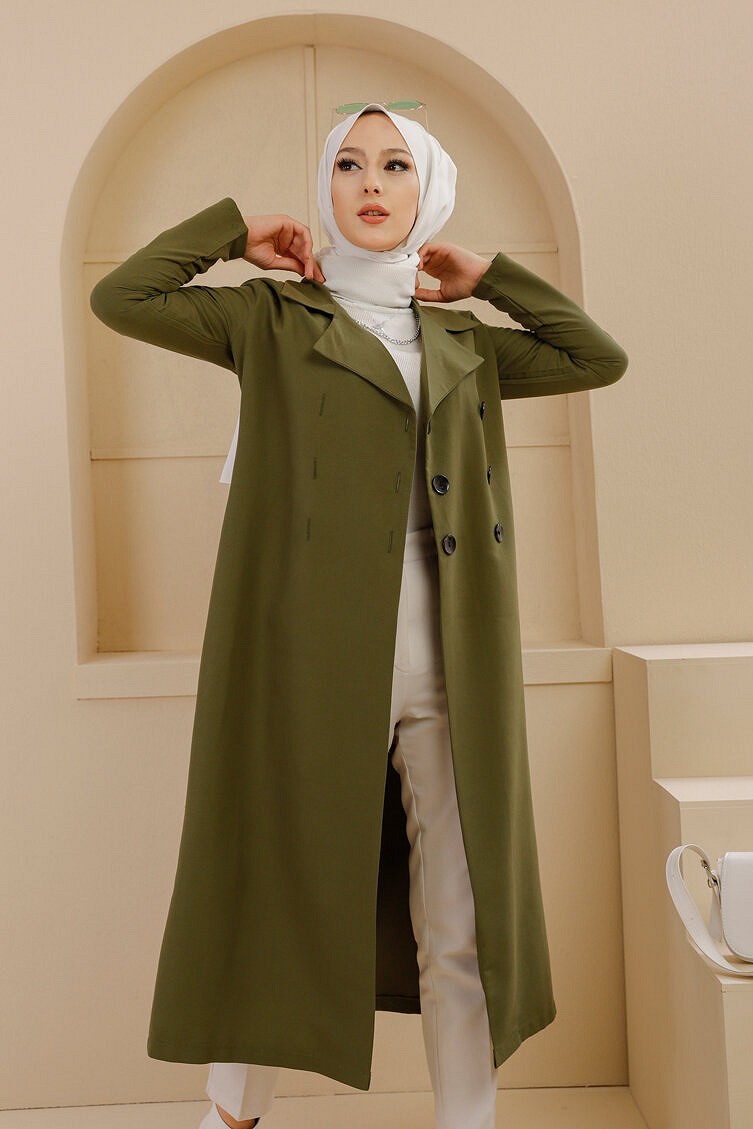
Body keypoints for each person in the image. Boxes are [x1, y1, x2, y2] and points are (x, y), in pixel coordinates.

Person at [90, 103, 628, 1129]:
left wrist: (492, 278)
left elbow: (594, 356)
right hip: (312, 657)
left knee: (459, 918)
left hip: (453, 654)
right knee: (280, 893)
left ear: (430, 191)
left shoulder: (464, 340)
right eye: (348, 163)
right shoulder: (271, 318)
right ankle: (231, 1114)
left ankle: (468, 1120)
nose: (370, 183)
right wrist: (233, 234)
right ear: (327, 186)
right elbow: (124, 296)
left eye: (395, 165)